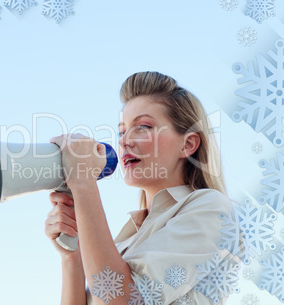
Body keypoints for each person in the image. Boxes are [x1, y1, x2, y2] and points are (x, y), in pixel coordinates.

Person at [45, 71, 238, 305]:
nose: (124, 141)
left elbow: (120, 299)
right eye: (122, 131)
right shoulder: (125, 241)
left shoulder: (212, 209)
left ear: (187, 145)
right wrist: (73, 258)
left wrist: (84, 183)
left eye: (144, 126)